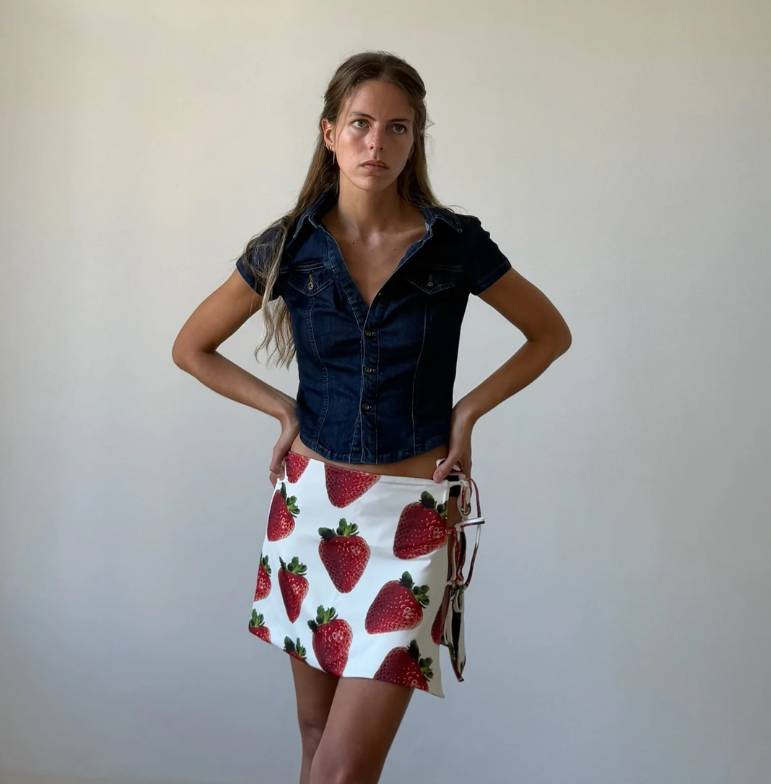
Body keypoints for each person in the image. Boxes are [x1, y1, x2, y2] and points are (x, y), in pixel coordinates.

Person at [172, 50, 572, 784]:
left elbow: (550, 333)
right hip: (309, 508)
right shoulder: (290, 244)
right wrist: (281, 409)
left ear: (415, 140)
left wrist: (468, 414)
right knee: (315, 737)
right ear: (328, 132)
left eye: (396, 128)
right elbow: (191, 347)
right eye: (359, 124)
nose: (375, 144)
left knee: (344, 768)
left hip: (412, 520)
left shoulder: (452, 245)